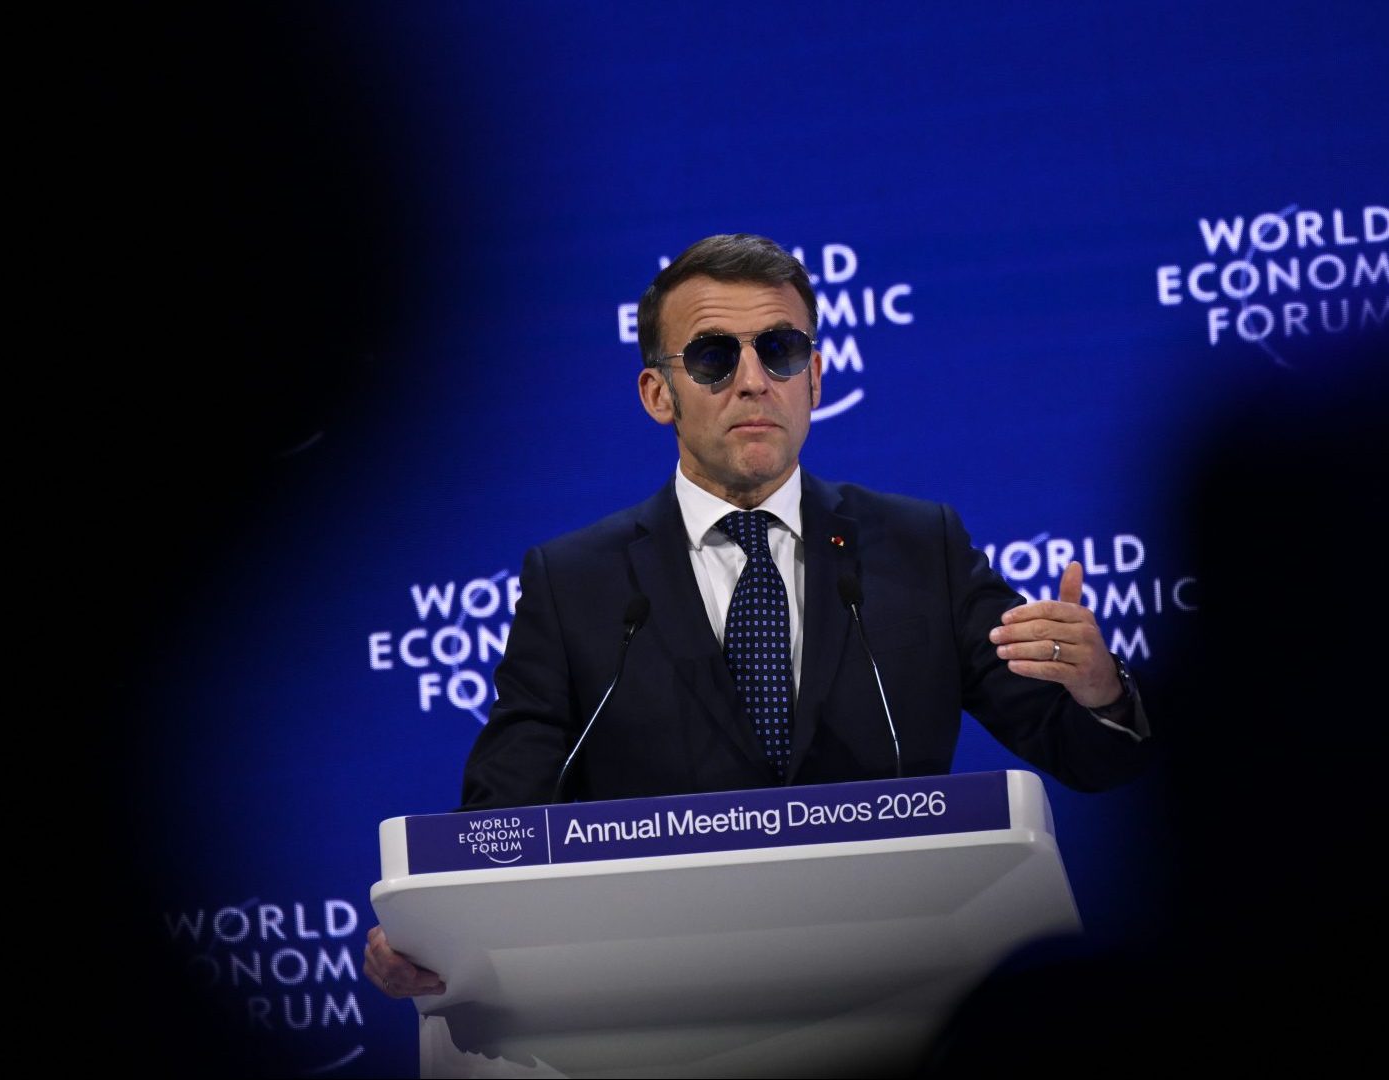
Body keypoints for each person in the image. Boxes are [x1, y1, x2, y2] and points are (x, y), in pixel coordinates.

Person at [366, 233, 1153, 998]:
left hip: (898, 989)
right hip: (663, 1007)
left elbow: (1092, 756)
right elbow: (499, 823)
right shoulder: (576, 584)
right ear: (658, 394)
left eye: (779, 351)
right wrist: (434, 929)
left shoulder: (921, 548)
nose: (753, 381)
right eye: (714, 357)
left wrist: (1101, 690)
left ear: (815, 378)